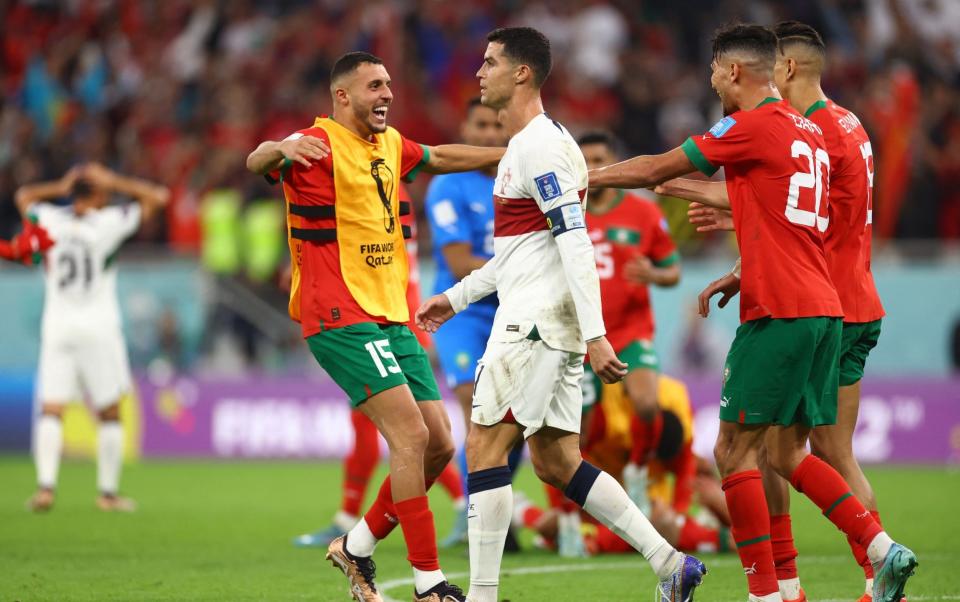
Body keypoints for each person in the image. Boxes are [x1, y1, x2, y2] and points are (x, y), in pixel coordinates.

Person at [588, 23, 915, 602]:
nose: (712, 79)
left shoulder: (748, 124)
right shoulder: (813, 131)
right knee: (788, 451)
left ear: (735, 71)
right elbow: (785, 211)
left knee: (732, 451)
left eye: (715, 69)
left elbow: (657, 168)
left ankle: (765, 591)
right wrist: (743, 268)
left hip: (781, 311)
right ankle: (874, 552)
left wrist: (585, 177)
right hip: (825, 308)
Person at [415, 27, 706, 602]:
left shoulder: (540, 147)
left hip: (535, 324)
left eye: (491, 62)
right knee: (555, 460)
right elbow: (518, 256)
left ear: (521, 73)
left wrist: (596, 336)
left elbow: (576, 242)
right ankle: (668, 561)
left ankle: (481, 596)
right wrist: (458, 297)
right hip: (545, 321)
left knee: (485, 447)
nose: (479, 73)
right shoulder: (528, 147)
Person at [246, 51, 503, 602]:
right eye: (373, 86)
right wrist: (279, 148)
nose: (386, 94)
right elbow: (256, 160)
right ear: (342, 96)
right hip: (339, 317)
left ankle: (355, 545)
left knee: (438, 442)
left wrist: (510, 152)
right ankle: (429, 583)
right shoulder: (312, 145)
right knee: (409, 437)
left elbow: (438, 155)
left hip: (393, 318)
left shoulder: (390, 145)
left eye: (388, 84)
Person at [293, 183, 466, 550]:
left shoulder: (378, 193)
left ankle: (359, 525)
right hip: (392, 316)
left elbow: (376, 264)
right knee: (419, 434)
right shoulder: (388, 191)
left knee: (413, 434)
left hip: (386, 319)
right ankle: (358, 524)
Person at [16, 162, 169, 513]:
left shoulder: (50, 219)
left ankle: (45, 489)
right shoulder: (108, 222)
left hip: (57, 325)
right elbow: (159, 197)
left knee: (51, 409)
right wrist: (114, 178)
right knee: (110, 411)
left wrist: (60, 185)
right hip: (98, 327)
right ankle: (107, 494)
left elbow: (23, 195)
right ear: (98, 194)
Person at [424, 97, 520, 548]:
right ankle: (471, 512)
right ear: (465, 127)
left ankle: (496, 503)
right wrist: (524, 263)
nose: (486, 134)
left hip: (515, 310)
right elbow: (460, 262)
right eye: (478, 125)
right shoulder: (447, 187)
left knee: (516, 421)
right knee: (474, 404)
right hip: (463, 312)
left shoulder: (519, 182)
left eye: (493, 125)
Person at [577, 130, 682, 500]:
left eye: (600, 160)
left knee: (647, 404)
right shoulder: (565, 212)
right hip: (581, 335)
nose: (592, 168)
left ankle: (638, 471)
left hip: (631, 330)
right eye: (585, 160)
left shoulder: (644, 212)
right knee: (579, 431)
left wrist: (653, 274)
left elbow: (672, 272)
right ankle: (576, 509)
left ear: (615, 163)